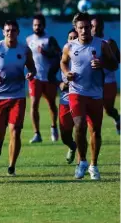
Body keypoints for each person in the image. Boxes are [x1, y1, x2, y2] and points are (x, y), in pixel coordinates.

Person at [60, 12, 118, 180]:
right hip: (76, 92)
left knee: (96, 131)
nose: (85, 30)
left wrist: (103, 63)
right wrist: (66, 73)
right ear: (76, 29)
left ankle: (94, 165)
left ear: (91, 28)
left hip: (95, 93)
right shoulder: (70, 46)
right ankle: (82, 161)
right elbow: (63, 62)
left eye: (87, 27)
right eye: (81, 28)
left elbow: (114, 64)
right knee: (79, 125)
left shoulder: (102, 45)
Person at [0, 20, 36, 176]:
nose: (10, 33)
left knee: (15, 131)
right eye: (7, 30)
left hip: (17, 95)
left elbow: (32, 67)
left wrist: (31, 73)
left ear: (18, 32)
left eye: (13, 30)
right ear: (3, 32)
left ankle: (11, 166)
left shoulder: (25, 50)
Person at [27, 14, 62, 143]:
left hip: (48, 77)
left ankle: (53, 126)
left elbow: (59, 54)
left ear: (44, 25)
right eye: (35, 25)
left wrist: (46, 53)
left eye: (39, 25)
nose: (37, 27)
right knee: (34, 104)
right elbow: (26, 57)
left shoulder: (49, 39)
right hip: (35, 78)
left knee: (52, 104)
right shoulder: (28, 40)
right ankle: (37, 133)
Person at [91, 16, 120, 134]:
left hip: (108, 81)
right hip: (92, 82)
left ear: (102, 27)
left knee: (108, 109)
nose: (95, 29)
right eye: (92, 26)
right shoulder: (87, 42)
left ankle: (118, 118)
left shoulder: (109, 42)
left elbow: (117, 61)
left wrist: (104, 62)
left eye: (97, 27)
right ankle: (94, 133)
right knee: (93, 109)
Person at [58, 29, 79, 165]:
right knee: (65, 136)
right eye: (70, 38)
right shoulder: (63, 59)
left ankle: (81, 162)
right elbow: (59, 82)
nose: (72, 40)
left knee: (80, 128)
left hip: (80, 98)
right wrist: (62, 84)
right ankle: (72, 146)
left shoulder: (84, 56)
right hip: (65, 100)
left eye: (74, 37)